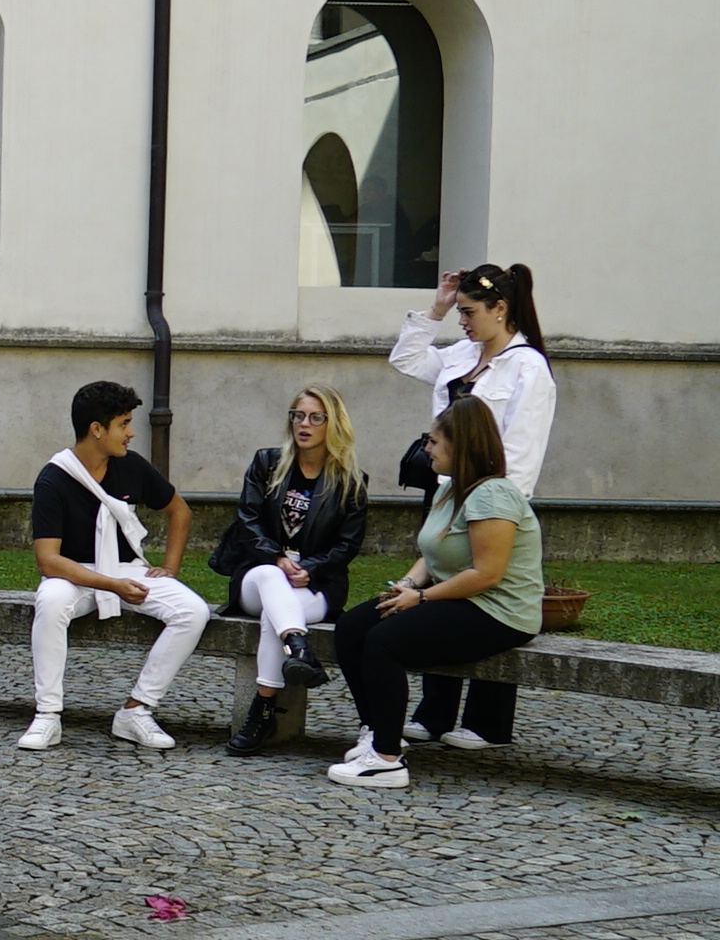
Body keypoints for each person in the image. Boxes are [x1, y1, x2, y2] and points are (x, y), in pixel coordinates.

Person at [327, 396, 541, 790]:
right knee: (353, 627)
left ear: (460, 448)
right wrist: (407, 586)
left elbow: (487, 574)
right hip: (457, 599)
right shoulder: (451, 490)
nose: (426, 448)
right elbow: (431, 552)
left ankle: (387, 760)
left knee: (384, 643)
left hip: (497, 611)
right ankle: (377, 730)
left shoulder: (493, 495)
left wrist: (422, 599)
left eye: (434, 441)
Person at [389, 263, 554, 751]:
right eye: (458, 312)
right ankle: (436, 711)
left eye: (468, 312)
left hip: (495, 502)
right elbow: (405, 359)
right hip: (446, 491)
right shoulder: (462, 353)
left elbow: (524, 451)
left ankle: (488, 720)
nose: (462, 321)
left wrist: (499, 508)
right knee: (442, 585)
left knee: (490, 594)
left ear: (500, 309)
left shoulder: (528, 367)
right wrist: (436, 307)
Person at [18, 381, 210, 752]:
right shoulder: (54, 478)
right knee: (52, 601)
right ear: (96, 430)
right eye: (123, 424)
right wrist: (111, 585)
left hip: (125, 569)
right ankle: (47, 716)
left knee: (193, 610)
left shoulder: (131, 466)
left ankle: (136, 711)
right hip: (73, 573)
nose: (131, 433)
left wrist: (169, 567)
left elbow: (179, 511)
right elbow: (48, 561)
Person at [208, 385, 369, 756]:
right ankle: (299, 648)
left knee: (274, 615)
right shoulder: (267, 463)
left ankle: (263, 711)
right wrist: (277, 558)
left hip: (315, 587)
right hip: (258, 574)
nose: (304, 424)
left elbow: (348, 545)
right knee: (270, 579)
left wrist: (310, 568)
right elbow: (248, 520)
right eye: (297, 415)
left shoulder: (350, 482)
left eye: (315, 417)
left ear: (334, 423)